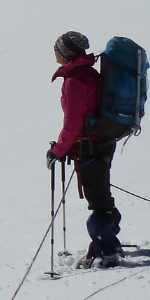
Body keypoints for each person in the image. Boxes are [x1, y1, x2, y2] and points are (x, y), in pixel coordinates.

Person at [46, 31, 124, 268]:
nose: (55, 53)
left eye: (57, 49)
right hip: (101, 141)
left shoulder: (75, 81)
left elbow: (72, 123)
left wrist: (58, 151)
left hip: (91, 146)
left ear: (66, 53)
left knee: (97, 199)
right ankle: (108, 241)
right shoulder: (86, 73)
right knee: (101, 195)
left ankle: (105, 249)